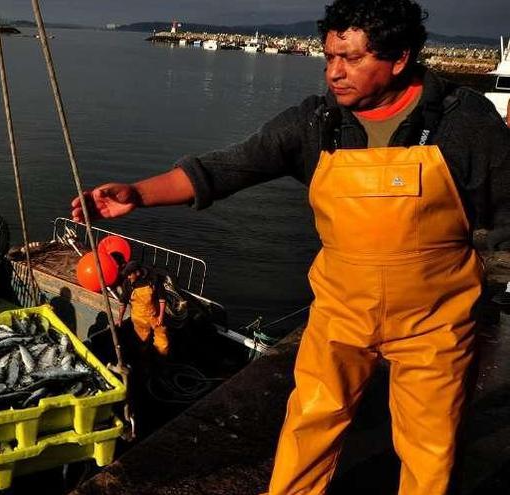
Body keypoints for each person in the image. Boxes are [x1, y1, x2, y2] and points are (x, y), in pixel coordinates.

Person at [71, 1, 510, 493]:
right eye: (328, 58)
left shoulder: (462, 122)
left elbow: (506, 212)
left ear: (400, 57)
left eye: (351, 59)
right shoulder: (317, 123)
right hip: (341, 311)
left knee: (431, 447)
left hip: (435, 319)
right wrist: (137, 194)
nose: (334, 73)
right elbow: (226, 168)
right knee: (309, 427)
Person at [115, 261, 169, 357]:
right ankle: (143, 356)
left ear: (137, 273)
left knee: (162, 341)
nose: (128, 277)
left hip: (154, 315)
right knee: (141, 341)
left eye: (130, 275)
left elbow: (162, 299)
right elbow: (123, 302)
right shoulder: (127, 283)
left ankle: (161, 357)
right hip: (139, 317)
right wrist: (119, 319)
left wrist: (161, 316)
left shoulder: (153, 279)